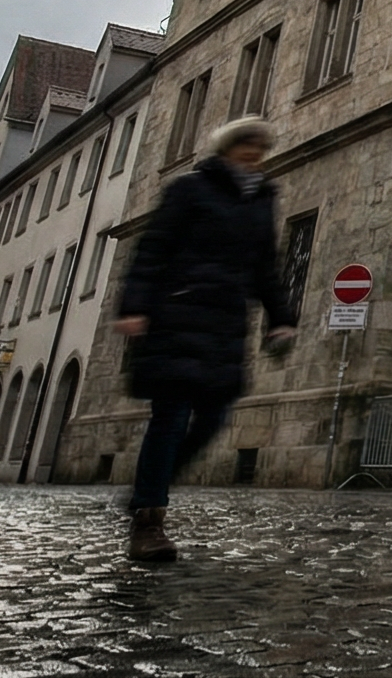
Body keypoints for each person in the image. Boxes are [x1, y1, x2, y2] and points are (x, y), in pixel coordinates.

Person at [113, 115, 295, 562]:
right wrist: (134, 306)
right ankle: (149, 521)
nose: (254, 150)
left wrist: (281, 316)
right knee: (170, 419)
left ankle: (144, 490)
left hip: (225, 323)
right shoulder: (189, 189)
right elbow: (152, 248)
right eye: (245, 143)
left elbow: (265, 265)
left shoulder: (261, 198)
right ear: (227, 147)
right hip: (177, 313)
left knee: (212, 420)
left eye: (260, 144)